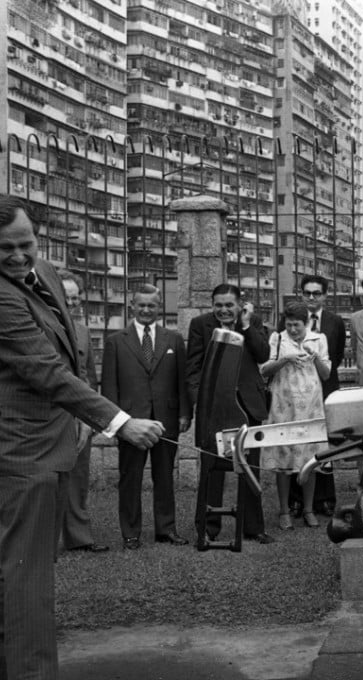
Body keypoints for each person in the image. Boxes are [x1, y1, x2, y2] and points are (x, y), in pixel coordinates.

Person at [0, 196, 164, 680]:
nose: (17, 257)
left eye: (25, 244)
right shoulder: (3, 297)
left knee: (21, 571)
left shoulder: (45, 273)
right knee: (25, 576)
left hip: (53, 441)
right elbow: (46, 371)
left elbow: (71, 351)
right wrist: (118, 421)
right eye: (3, 249)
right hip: (20, 454)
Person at [102, 284, 191, 549]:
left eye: (151, 305)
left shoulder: (173, 339)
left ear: (159, 307)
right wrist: (114, 422)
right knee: (130, 478)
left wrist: (185, 413)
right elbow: (109, 386)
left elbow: (182, 380)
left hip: (167, 419)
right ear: (132, 306)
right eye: (141, 305)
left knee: (165, 477)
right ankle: (131, 532)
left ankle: (166, 529)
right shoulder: (116, 341)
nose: (146, 310)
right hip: (130, 422)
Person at [186, 284, 273, 544]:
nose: (223, 310)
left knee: (250, 466)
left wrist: (246, 326)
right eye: (218, 305)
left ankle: (253, 526)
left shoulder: (252, 321)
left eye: (229, 305)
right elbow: (193, 367)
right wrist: (199, 403)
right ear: (212, 306)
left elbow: (263, 354)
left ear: (239, 305)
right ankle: (207, 527)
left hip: (248, 403)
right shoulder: (200, 324)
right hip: (215, 406)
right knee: (212, 467)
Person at [261, 301, 331, 530]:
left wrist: (316, 357)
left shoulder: (318, 339)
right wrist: (284, 359)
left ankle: (309, 509)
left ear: (307, 323)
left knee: (310, 460)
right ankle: (284, 511)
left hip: (311, 407)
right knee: (283, 459)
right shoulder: (277, 339)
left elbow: (326, 374)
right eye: (289, 325)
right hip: (284, 407)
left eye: (297, 326)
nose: (293, 330)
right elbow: (264, 369)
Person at [283, 275, 345, 516]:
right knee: (297, 443)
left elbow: (336, 356)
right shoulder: (288, 319)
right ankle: (296, 500)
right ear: (301, 294)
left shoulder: (335, 321)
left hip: (326, 389)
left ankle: (325, 498)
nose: (311, 297)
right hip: (296, 390)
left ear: (325, 295)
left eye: (316, 293)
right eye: (307, 293)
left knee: (325, 444)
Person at [56, 269, 109, 553]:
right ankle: (42, 540)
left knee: (78, 478)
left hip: (78, 416)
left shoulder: (84, 331)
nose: (72, 303)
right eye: (66, 297)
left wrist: (89, 419)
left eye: (76, 298)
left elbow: (89, 377)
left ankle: (79, 538)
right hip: (48, 414)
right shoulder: (39, 325)